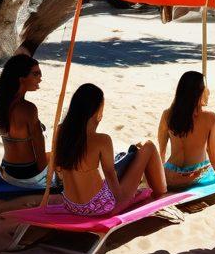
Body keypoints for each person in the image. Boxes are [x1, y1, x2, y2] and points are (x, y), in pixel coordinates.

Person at [55, 84, 167, 217]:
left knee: (128, 159)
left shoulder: (61, 131)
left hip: (72, 206)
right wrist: (125, 200)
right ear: (98, 112)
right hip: (100, 209)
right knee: (148, 146)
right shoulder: (102, 140)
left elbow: (59, 169)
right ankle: (163, 190)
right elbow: (111, 176)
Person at [158, 71, 215, 188]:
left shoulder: (167, 115)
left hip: (171, 176)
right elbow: (214, 158)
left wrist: (162, 178)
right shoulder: (210, 118)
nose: (208, 91)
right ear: (198, 92)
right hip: (197, 176)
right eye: (205, 88)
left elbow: (161, 153)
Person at [0, 53, 50, 188]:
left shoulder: (1, 103)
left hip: (6, 171)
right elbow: (39, 152)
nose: (40, 79)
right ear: (21, 78)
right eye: (36, 74)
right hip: (26, 175)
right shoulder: (28, 109)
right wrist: (45, 180)